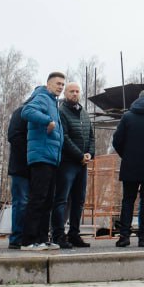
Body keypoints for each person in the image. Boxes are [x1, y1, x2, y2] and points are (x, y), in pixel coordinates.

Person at [21, 72, 66, 250]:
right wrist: (48, 120)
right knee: (38, 199)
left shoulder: (53, 103)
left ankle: (41, 238)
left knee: (48, 200)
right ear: (48, 84)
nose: (61, 87)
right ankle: (28, 240)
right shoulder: (42, 97)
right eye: (57, 84)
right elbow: (27, 111)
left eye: (63, 84)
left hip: (52, 158)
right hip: (41, 156)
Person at [112, 88, 144, 247]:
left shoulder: (127, 116)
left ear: (138, 99)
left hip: (130, 165)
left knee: (128, 200)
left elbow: (117, 140)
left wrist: (126, 155)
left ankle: (124, 237)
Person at [53, 81, 93, 248]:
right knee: (61, 199)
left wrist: (90, 154)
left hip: (82, 164)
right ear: (65, 94)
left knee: (79, 200)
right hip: (67, 163)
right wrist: (79, 155)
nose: (75, 94)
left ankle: (74, 234)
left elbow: (91, 136)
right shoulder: (61, 111)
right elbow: (64, 137)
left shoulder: (84, 112)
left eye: (77, 91)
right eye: (71, 91)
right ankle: (58, 235)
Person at [6, 102, 29, 250]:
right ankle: (16, 238)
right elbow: (13, 136)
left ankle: (26, 236)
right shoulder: (20, 112)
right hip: (21, 167)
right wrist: (31, 152)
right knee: (21, 202)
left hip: (35, 167)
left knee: (28, 203)